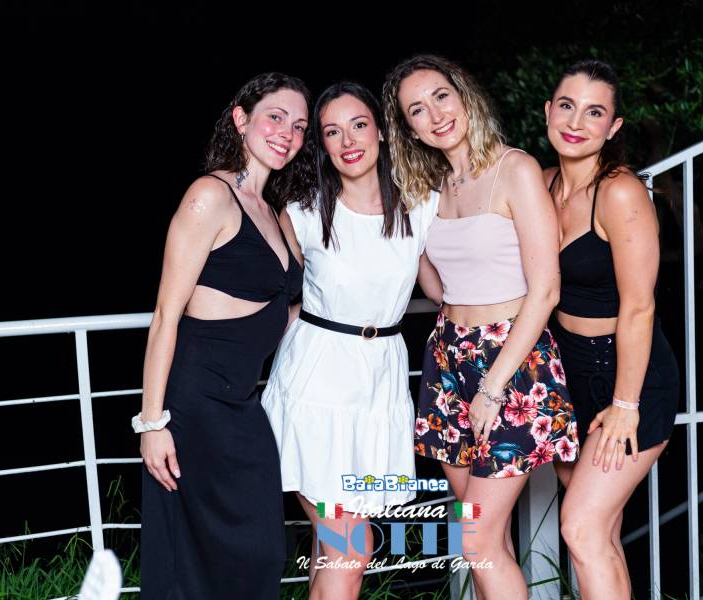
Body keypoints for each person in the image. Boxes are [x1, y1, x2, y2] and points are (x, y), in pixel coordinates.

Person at [383, 54, 579, 600]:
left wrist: (493, 387)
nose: (435, 115)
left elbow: (546, 290)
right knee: (489, 543)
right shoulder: (431, 188)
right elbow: (438, 289)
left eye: (441, 96)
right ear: (409, 129)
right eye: (416, 110)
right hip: (448, 359)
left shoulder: (515, 169)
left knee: (476, 539)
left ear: (464, 95)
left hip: (512, 364)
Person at [260, 81, 438, 600]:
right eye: (332, 132)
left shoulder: (420, 205)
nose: (348, 141)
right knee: (350, 549)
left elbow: (442, 289)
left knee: (333, 552)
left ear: (381, 130)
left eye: (358, 125)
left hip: (380, 385)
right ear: (321, 144)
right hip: (316, 386)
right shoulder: (302, 211)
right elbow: (269, 293)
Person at [137, 72, 310, 600]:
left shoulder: (275, 211)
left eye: (299, 125)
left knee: (261, 551)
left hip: (242, 405)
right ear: (241, 119)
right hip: (193, 407)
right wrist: (152, 423)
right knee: (198, 563)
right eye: (275, 117)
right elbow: (165, 316)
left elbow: (285, 309)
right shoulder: (209, 196)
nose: (287, 133)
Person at [544, 59, 680, 599]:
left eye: (594, 112)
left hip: (628, 377)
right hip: (567, 374)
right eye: (567, 105)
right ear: (548, 112)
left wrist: (626, 404)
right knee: (600, 534)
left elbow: (640, 306)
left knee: (580, 527)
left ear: (613, 126)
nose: (577, 122)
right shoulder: (542, 183)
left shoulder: (620, 191)